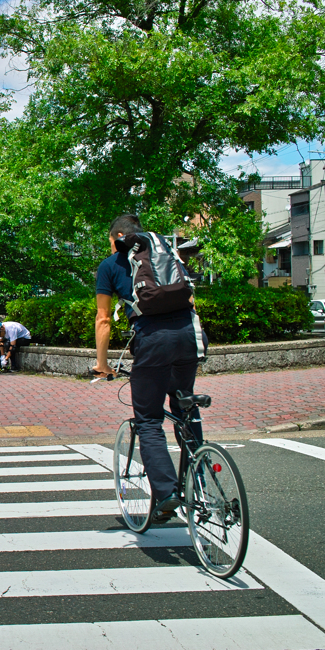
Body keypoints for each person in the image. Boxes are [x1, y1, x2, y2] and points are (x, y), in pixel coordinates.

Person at [93, 213, 208, 523]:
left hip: (153, 342)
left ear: (116, 236)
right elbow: (191, 301)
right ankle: (199, 480)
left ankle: (167, 492)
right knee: (185, 406)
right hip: (189, 337)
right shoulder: (164, 253)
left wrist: (103, 365)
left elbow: (104, 319)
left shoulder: (110, 265)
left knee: (148, 420)